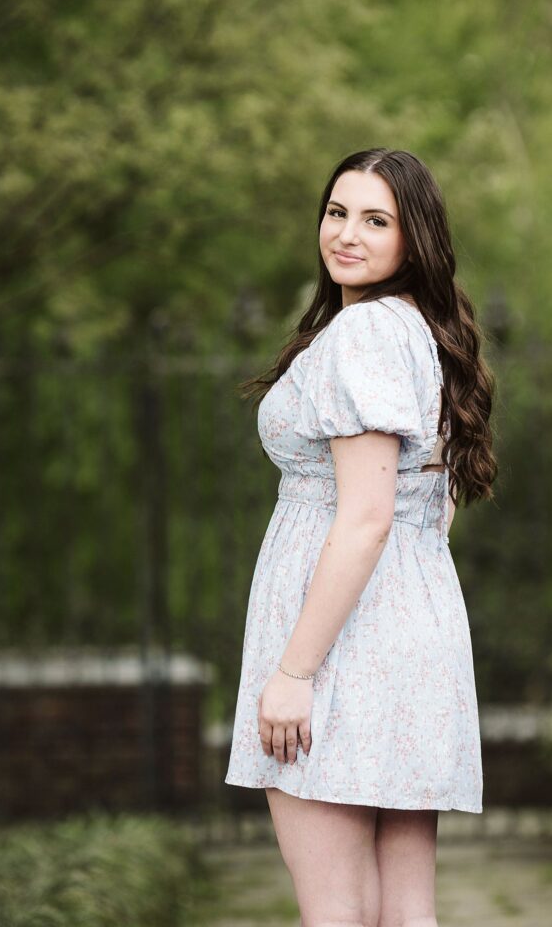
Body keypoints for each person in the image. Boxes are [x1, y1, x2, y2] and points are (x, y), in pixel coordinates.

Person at [225, 147, 498, 926]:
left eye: (375, 220)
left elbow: (368, 514)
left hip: (341, 644)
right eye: (336, 212)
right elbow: (430, 503)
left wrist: (294, 672)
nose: (346, 234)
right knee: (404, 915)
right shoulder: (420, 331)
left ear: (414, 239)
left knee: (336, 913)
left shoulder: (363, 336)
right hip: (408, 628)